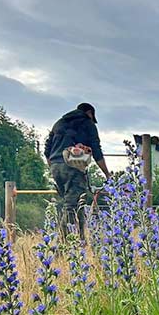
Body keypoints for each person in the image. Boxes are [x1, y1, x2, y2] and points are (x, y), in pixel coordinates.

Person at [44, 102, 110, 240]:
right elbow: (96, 151)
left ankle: (81, 240)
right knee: (71, 206)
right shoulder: (87, 124)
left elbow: (47, 150)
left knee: (78, 202)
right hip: (73, 167)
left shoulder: (59, 123)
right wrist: (107, 174)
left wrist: (53, 168)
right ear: (90, 113)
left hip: (55, 167)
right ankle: (62, 246)